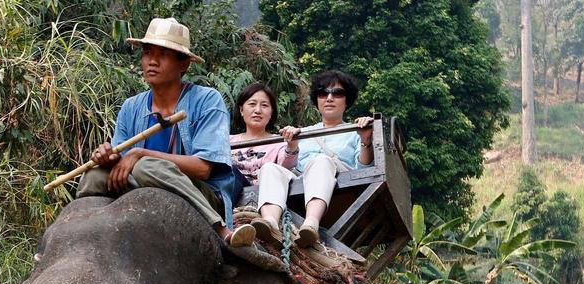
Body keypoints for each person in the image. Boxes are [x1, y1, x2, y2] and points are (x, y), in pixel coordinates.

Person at [77, 17, 255, 247]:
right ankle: (75, 237)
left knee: (147, 166)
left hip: (200, 193)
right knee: (93, 175)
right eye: (148, 52)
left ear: (184, 64)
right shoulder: (131, 106)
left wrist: (141, 154)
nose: (152, 61)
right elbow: (122, 159)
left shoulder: (207, 100)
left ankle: (220, 229)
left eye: (163, 54)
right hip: (142, 182)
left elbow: (202, 168)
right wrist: (108, 157)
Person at [250, 70, 375, 248]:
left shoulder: (354, 131)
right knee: (270, 168)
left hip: (339, 188)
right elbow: (291, 168)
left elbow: (363, 172)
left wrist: (365, 139)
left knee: (321, 161)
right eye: (323, 93)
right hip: (302, 184)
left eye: (337, 93)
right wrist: (292, 145)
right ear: (317, 99)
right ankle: (270, 221)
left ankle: (311, 224)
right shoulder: (304, 133)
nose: (329, 98)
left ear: (347, 100)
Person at [229, 83, 299, 190]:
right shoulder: (227, 141)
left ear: (271, 113)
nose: (258, 110)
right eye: (252, 104)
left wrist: (292, 145)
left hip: (265, 196)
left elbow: (286, 167)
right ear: (241, 110)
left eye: (264, 105)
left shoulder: (279, 143)